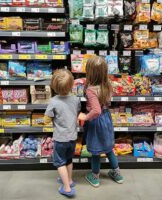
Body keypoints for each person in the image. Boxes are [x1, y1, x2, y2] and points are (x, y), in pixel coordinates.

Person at [78, 56, 124, 188]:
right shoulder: (107, 84)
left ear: (90, 72)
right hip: (107, 118)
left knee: (96, 151)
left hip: (96, 121)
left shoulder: (90, 90)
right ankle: (117, 174)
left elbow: (96, 110)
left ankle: (95, 176)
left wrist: (85, 117)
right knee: (109, 148)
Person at [44, 69, 80, 197]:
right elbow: (76, 112)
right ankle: (69, 181)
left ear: (53, 86)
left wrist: (48, 120)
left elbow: (47, 118)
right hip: (72, 137)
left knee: (60, 163)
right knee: (69, 160)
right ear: (71, 85)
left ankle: (67, 189)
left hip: (60, 138)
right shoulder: (76, 99)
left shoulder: (53, 101)